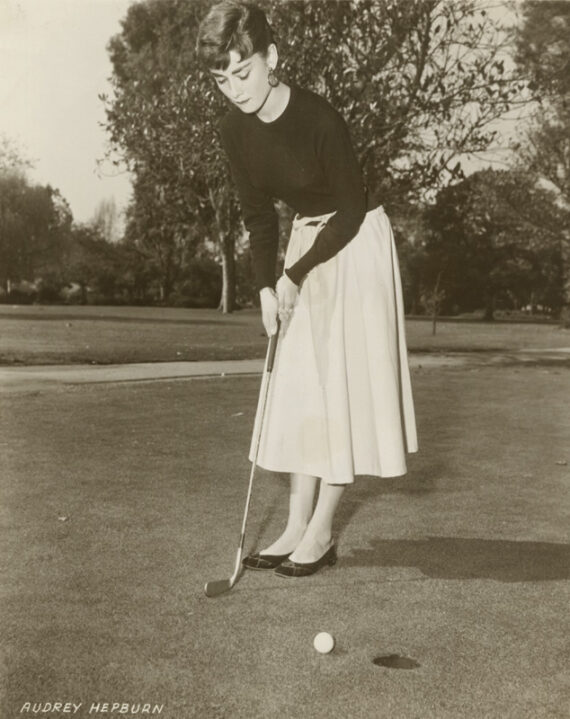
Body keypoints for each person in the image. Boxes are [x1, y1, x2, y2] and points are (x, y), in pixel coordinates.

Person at [197, 0, 418, 578]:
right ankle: (295, 524)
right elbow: (257, 218)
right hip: (302, 243)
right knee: (299, 388)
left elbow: (348, 211)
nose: (235, 90)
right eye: (222, 81)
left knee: (338, 388)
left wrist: (293, 275)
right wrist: (266, 288)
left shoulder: (320, 119)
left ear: (271, 57)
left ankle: (321, 531)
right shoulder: (232, 130)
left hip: (353, 245)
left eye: (242, 73)